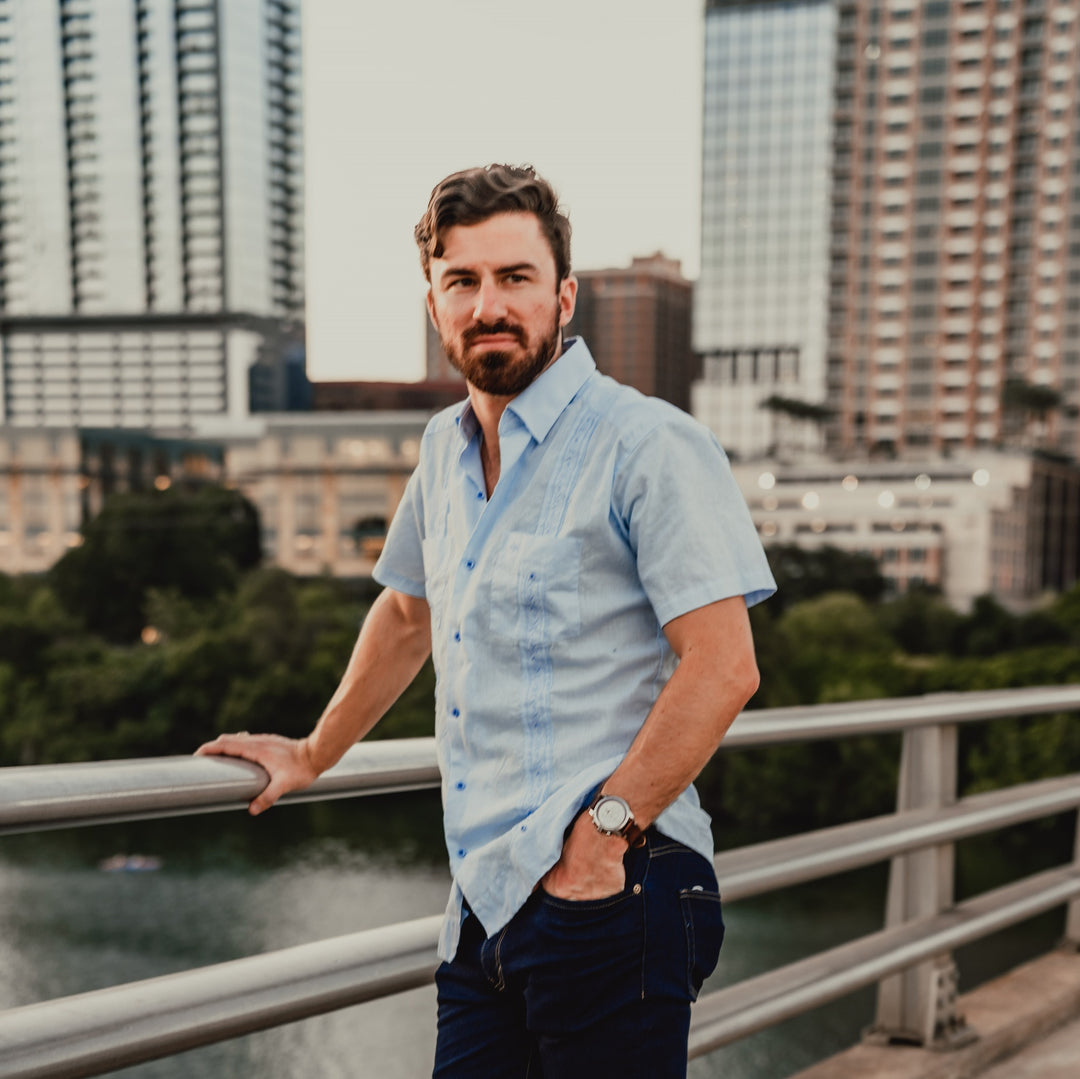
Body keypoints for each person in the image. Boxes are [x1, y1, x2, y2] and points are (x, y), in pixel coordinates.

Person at [197, 163, 776, 1077]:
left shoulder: (648, 442)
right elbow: (405, 613)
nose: (488, 304)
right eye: (461, 281)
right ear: (434, 305)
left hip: (616, 886)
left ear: (564, 295)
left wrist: (602, 837)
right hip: (484, 904)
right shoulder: (441, 449)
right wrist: (313, 752)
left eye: (515, 277)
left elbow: (723, 664)